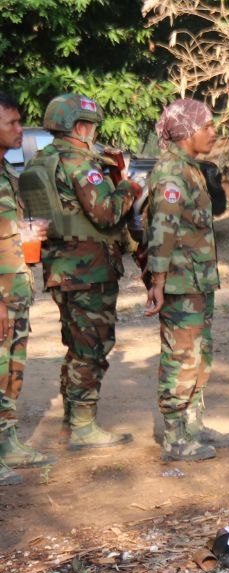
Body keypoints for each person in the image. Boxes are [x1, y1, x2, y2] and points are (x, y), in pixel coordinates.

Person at [18, 94, 141, 449]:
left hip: (61, 267)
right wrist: (128, 187)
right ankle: (83, 427)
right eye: (92, 126)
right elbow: (106, 212)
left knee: (76, 344)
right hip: (90, 269)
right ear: (81, 127)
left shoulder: (41, 161)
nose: (94, 133)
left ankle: (73, 420)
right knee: (92, 347)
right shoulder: (80, 164)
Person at [144, 99, 229, 461]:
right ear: (186, 132)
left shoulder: (191, 168)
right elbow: (162, 230)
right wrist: (158, 281)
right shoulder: (172, 173)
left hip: (197, 280)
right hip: (180, 283)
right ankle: (174, 436)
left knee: (200, 354)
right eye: (207, 126)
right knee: (181, 356)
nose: (213, 133)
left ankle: (194, 425)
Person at [0, 92, 51, 476]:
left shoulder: (7, 172)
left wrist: (27, 234)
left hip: (15, 291)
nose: (20, 129)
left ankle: (7, 442)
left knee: (11, 370)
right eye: (12, 123)